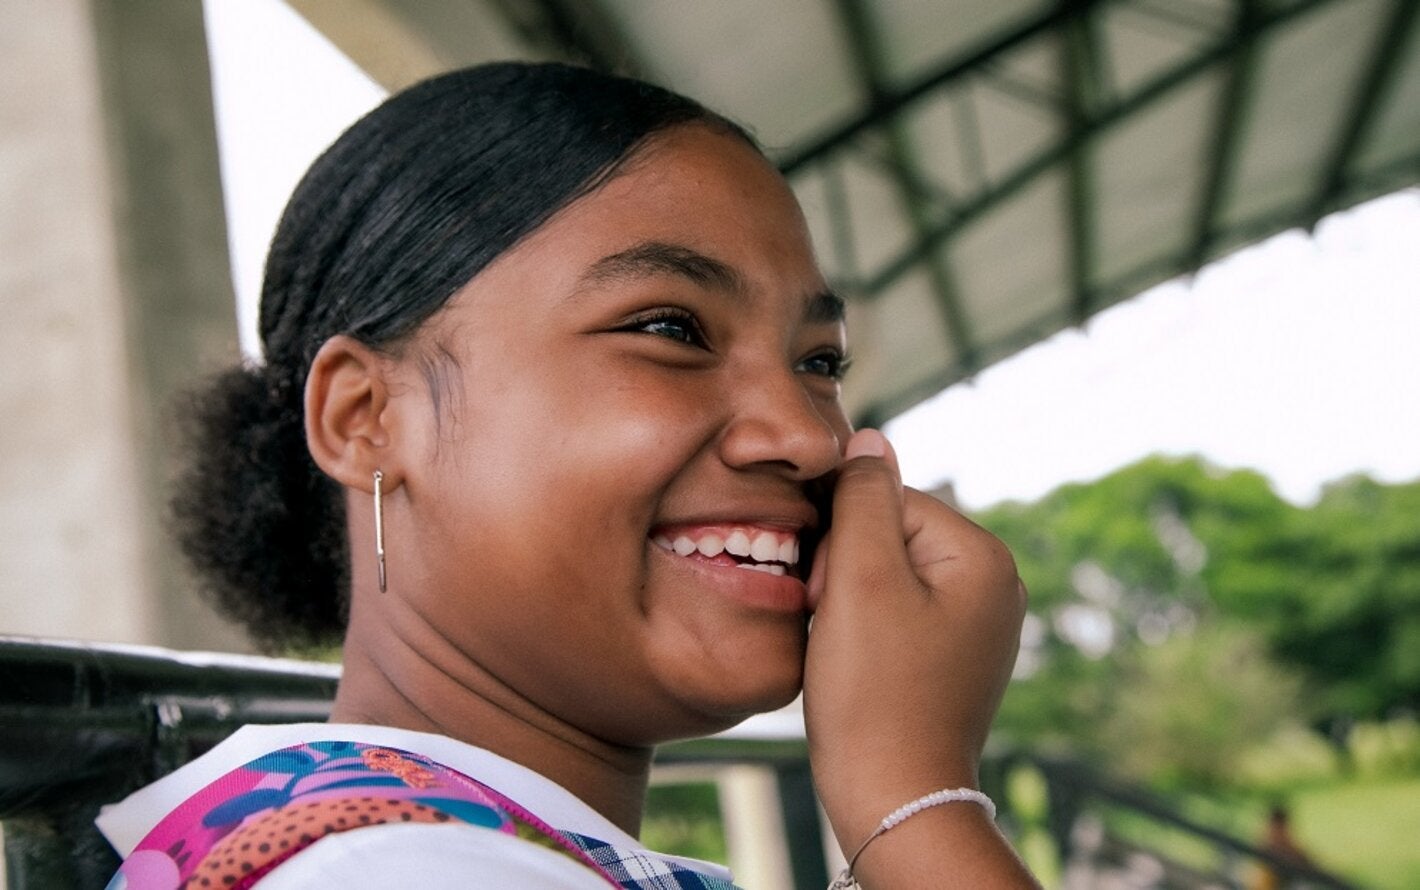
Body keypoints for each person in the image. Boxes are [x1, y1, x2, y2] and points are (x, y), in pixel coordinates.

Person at [97, 62, 1035, 888]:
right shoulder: (397, 876)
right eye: (670, 328)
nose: (810, 437)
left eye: (820, 363)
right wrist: (911, 796)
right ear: (367, 419)